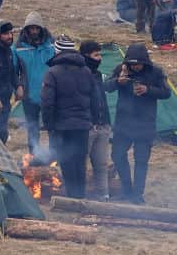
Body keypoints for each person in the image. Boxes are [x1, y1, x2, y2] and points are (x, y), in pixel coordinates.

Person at [105, 43, 169, 204]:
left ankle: (138, 194)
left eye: (138, 64)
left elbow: (166, 93)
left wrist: (148, 90)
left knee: (141, 160)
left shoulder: (155, 72)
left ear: (145, 62)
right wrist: (118, 81)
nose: (135, 67)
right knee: (117, 155)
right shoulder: (122, 69)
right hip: (123, 123)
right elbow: (107, 86)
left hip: (144, 124)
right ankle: (126, 190)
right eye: (132, 64)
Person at [41, 36, 97, 199]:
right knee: (80, 161)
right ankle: (80, 197)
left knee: (66, 162)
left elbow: (47, 103)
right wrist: (91, 120)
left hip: (62, 126)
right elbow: (94, 98)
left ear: (57, 51)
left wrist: (49, 125)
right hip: (82, 125)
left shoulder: (52, 73)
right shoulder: (86, 71)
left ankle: (72, 199)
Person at [13, 11, 56, 153]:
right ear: (26, 29)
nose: (34, 31)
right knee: (32, 127)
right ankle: (33, 155)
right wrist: (18, 87)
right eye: (31, 28)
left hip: (49, 94)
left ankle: (53, 155)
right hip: (29, 95)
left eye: (37, 28)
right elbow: (13, 71)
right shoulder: (18, 48)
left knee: (52, 126)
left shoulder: (52, 45)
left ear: (41, 29)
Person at [80, 40, 112, 202]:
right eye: (96, 55)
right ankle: (80, 195)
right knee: (81, 163)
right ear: (86, 56)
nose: (99, 58)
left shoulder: (98, 75)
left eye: (99, 55)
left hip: (102, 124)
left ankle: (103, 195)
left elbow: (102, 99)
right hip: (88, 126)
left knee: (101, 163)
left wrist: (107, 122)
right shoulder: (79, 74)